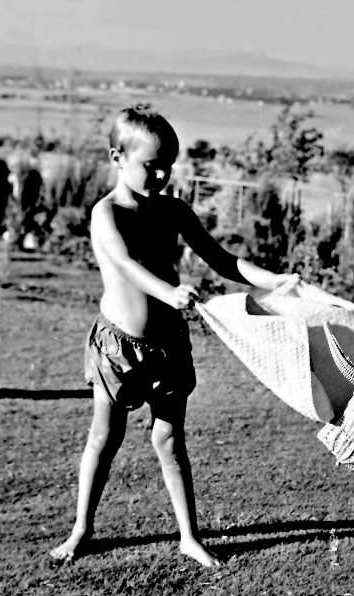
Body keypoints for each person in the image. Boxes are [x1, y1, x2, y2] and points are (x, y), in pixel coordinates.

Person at [51, 104, 296, 567]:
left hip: (168, 347)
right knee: (104, 438)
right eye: (151, 165)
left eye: (169, 165)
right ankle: (82, 529)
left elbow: (222, 260)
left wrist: (276, 280)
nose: (161, 174)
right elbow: (126, 264)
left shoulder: (174, 209)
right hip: (118, 346)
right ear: (117, 156)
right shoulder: (108, 214)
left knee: (169, 440)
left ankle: (188, 536)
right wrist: (169, 291)